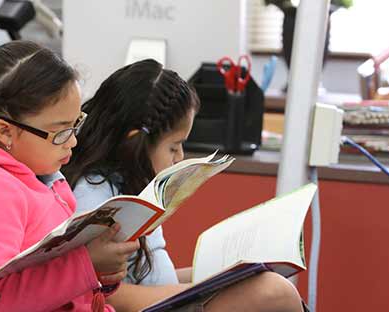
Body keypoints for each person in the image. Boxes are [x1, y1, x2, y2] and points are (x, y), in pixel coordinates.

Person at [63, 59, 306, 312]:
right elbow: (106, 295)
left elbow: (155, 280)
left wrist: (231, 272)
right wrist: (199, 291)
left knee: (265, 283)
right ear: (136, 142)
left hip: (162, 300)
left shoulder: (136, 185)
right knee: (273, 293)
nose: (180, 157)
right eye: (173, 146)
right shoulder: (95, 197)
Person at [0, 40, 139, 312]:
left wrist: (100, 275)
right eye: (61, 131)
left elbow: (51, 277)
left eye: (76, 124)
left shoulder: (39, 175)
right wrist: (86, 264)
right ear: (4, 131)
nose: (73, 142)